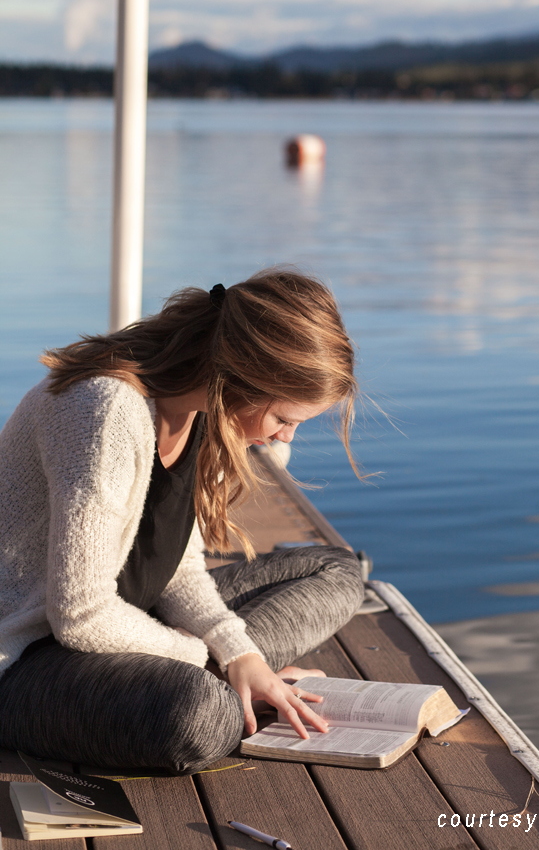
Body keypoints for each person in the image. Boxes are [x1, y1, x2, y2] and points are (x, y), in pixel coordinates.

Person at [0, 268, 364, 773]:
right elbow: (80, 615)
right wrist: (204, 657)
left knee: (337, 572)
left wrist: (241, 655)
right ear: (242, 377)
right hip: (26, 657)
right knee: (199, 715)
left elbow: (178, 568)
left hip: (131, 625)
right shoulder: (105, 412)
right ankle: (226, 690)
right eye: (284, 419)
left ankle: (242, 681)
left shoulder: (203, 415)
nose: (286, 439)